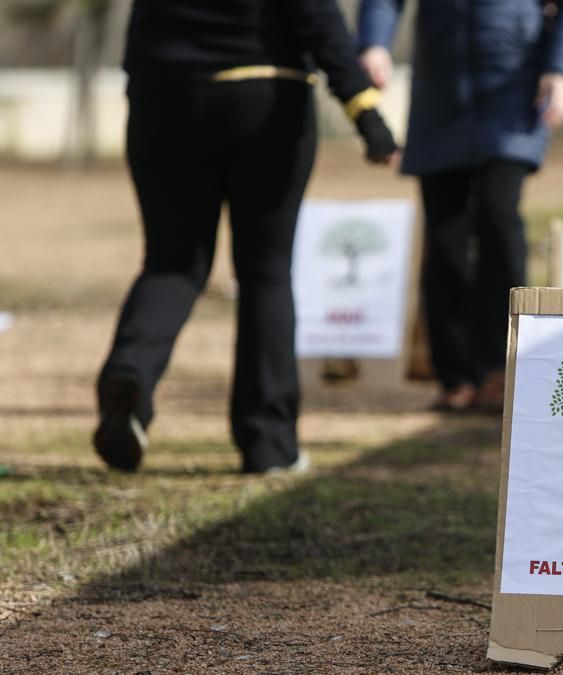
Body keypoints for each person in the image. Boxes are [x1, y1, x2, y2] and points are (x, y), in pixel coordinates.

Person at [93, 0, 399, 474]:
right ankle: (269, 445)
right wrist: (363, 107)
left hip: (164, 93)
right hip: (263, 93)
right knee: (266, 272)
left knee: (171, 262)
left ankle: (129, 376)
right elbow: (314, 13)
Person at [357, 0, 563, 412]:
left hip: (513, 92)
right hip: (441, 97)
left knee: (498, 216)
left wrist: (562, 71)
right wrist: (374, 42)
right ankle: (454, 374)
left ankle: (500, 368)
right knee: (445, 234)